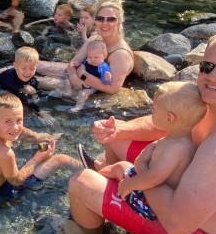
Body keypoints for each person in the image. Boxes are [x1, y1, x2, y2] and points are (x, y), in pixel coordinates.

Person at [53, 30, 216, 234]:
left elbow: (176, 224)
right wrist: (118, 130)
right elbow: (167, 121)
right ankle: (114, 194)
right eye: (207, 67)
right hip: (186, 187)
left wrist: (137, 173)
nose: (213, 76)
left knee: (81, 182)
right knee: (118, 138)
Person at [88, 81, 207, 221]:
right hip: (151, 192)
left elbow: (154, 178)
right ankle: (102, 169)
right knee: (123, 167)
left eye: (154, 110)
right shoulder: (179, 139)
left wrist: (130, 183)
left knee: (122, 166)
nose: (152, 114)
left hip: (150, 206)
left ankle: (96, 172)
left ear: (169, 118)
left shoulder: (177, 148)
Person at [0, 92, 78, 198]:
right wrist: (36, 159)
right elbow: (16, 181)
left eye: (19, 120)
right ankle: (89, 169)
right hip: (3, 190)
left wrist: (39, 138)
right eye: (8, 121)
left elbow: (21, 131)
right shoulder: (4, 153)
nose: (15, 127)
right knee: (61, 159)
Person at [36, 0, 134, 98]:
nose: (104, 23)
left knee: (33, 80)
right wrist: (73, 75)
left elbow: (112, 88)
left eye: (111, 19)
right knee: (34, 65)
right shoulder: (96, 38)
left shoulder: (120, 55)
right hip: (79, 74)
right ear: (95, 21)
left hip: (89, 88)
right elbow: (74, 62)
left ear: (119, 22)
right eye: (100, 18)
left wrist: (82, 75)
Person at [0, 47, 54, 125]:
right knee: (21, 108)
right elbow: (24, 98)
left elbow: (33, 81)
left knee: (34, 90)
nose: (28, 72)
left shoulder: (25, 74)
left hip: (18, 85)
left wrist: (37, 93)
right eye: (24, 68)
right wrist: (39, 111)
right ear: (15, 65)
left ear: (36, 66)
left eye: (32, 68)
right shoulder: (10, 80)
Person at [70, 40, 111, 113]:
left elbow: (104, 83)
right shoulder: (87, 61)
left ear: (104, 56)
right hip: (85, 79)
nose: (92, 60)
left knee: (83, 93)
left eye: (96, 57)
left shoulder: (103, 68)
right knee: (68, 83)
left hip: (93, 86)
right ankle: (58, 93)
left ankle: (78, 106)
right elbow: (84, 65)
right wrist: (78, 65)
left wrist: (107, 79)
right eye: (89, 57)